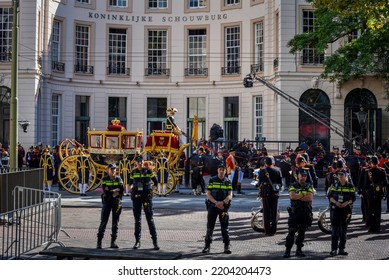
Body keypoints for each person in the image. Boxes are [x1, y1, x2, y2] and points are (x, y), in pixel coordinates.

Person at [129, 156, 160, 250]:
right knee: (137, 220)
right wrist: (130, 187)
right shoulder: (133, 172)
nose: (140, 164)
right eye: (138, 162)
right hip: (137, 197)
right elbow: (130, 182)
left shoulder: (148, 171)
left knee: (150, 219)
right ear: (136, 163)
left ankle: (155, 242)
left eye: (142, 162)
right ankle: (137, 241)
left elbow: (156, 182)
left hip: (147, 197)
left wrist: (152, 190)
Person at [202, 163, 233, 254]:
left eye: (223, 170)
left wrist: (223, 202)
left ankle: (226, 246)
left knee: (225, 227)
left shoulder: (228, 181)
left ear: (225, 171)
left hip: (223, 208)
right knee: (210, 227)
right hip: (213, 206)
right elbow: (208, 194)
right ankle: (207, 246)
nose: (221, 171)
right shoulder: (212, 180)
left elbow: (230, 194)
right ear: (217, 170)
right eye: (220, 169)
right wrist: (216, 202)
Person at [283, 169, 314, 258]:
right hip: (295, 212)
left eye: (305, 176)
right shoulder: (293, 185)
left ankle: (299, 250)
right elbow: (292, 196)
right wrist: (304, 195)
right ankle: (287, 251)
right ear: (298, 176)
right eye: (302, 175)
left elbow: (310, 198)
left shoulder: (309, 186)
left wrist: (298, 196)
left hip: (305, 212)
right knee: (291, 231)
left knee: (302, 232)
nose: (303, 177)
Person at [327, 169, 356, 256]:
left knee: (343, 231)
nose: (340, 177)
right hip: (336, 209)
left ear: (346, 176)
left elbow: (353, 198)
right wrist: (336, 202)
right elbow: (330, 196)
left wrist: (346, 203)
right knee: (335, 231)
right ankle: (333, 249)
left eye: (342, 176)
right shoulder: (334, 185)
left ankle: (341, 249)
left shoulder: (350, 186)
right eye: (339, 176)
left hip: (346, 211)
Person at [96, 163, 124, 249]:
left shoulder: (119, 179)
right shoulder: (104, 179)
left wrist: (112, 190)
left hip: (116, 202)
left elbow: (122, 190)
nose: (113, 171)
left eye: (114, 169)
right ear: (108, 170)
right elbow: (105, 191)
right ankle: (99, 242)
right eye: (111, 169)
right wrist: (115, 191)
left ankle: (113, 242)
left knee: (115, 223)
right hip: (107, 202)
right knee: (103, 222)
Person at [257, 156, 283, 235]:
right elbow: (280, 183)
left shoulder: (262, 171)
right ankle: (273, 230)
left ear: (265, 163)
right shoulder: (278, 170)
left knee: (266, 212)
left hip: (265, 193)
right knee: (274, 211)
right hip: (274, 193)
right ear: (273, 163)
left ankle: (267, 230)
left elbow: (259, 183)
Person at [363, 155, 388, 233]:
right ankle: (377, 227)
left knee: (370, 210)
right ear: (378, 162)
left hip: (370, 192)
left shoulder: (368, 171)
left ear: (371, 163)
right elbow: (386, 183)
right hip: (379, 192)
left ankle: (371, 227)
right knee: (378, 210)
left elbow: (366, 185)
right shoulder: (382, 171)